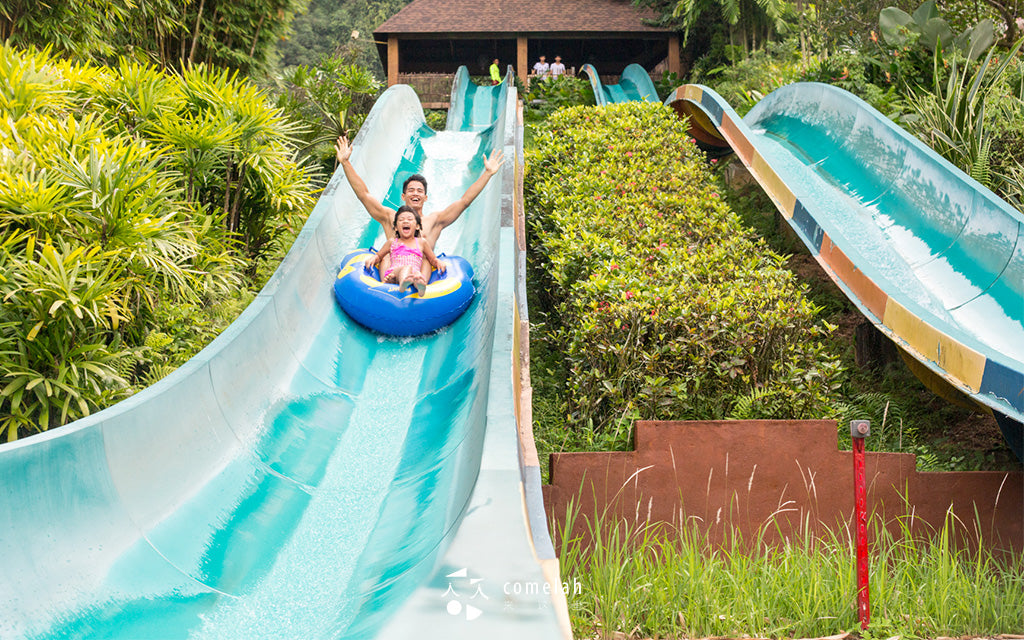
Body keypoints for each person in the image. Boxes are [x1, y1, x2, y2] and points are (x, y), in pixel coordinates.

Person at [334, 135, 505, 272]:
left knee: (424, 258)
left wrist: (488, 173)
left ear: (425, 197)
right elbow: (364, 195)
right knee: (386, 255)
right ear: (403, 196)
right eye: (411, 190)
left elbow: (464, 201)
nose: (415, 193)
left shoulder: (434, 221)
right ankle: (388, 287)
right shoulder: (389, 217)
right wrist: (345, 163)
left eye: (419, 191)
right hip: (392, 273)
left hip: (421, 276)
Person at [365, 206, 444, 294]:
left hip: (414, 273)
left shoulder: (422, 242)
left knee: (418, 275)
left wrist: (438, 262)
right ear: (395, 228)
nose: (405, 221)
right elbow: (379, 256)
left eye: (410, 219)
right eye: (401, 220)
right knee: (407, 268)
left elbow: (432, 259)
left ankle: (420, 285)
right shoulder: (392, 242)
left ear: (417, 226)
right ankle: (403, 283)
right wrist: (373, 258)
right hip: (395, 272)